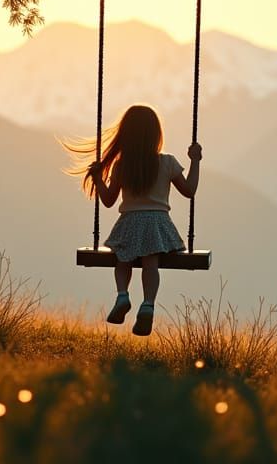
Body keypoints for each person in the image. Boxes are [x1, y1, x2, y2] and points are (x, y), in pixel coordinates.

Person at [66, 104, 201, 336]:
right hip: (158, 225)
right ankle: (148, 304)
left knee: (122, 259)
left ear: (126, 135)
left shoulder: (122, 165)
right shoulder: (168, 162)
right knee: (151, 263)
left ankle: (122, 296)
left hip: (129, 222)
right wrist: (195, 160)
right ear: (156, 134)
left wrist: (98, 179)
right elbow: (189, 190)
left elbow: (108, 200)